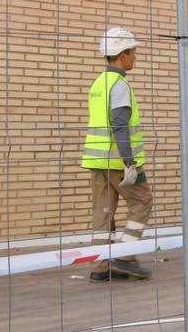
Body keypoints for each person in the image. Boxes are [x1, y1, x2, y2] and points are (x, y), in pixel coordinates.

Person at [81, 27, 152, 282]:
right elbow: (119, 125)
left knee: (103, 212)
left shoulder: (99, 83)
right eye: (133, 52)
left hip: (97, 161)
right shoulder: (119, 84)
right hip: (118, 161)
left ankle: (100, 268)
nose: (135, 56)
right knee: (142, 202)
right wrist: (130, 162)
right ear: (122, 55)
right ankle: (125, 257)